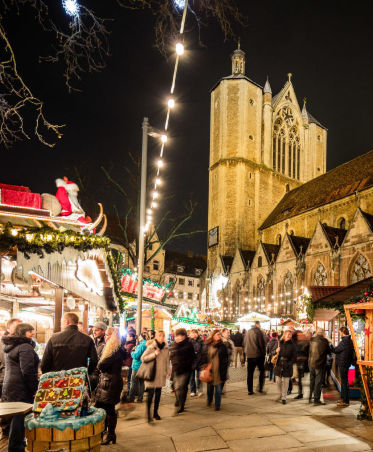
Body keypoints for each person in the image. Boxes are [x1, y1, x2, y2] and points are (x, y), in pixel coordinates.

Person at [2, 323, 39, 452]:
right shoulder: (24, 347)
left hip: (10, 386)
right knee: (20, 417)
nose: (33, 334)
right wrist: (35, 388)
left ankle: (15, 446)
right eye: (30, 332)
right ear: (24, 333)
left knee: (15, 417)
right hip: (21, 387)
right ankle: (16, 447)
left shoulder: (10, 346)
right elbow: (27, 371)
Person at [95, 327, 127, 445]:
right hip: (108, 382)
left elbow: (101, 365)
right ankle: (107, 433)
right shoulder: (114, 349)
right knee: (103, 408)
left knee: (108, 409)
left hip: (110, 383)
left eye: (108, 335)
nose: (105, 337)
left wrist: (99, 362)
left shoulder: (114, 351)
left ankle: (110, 434)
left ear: (113, 337)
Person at [142, 330, 170, 422]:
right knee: (150, 395)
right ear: (156, 337)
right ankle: (148, 414)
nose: (162, 337)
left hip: (161, 374)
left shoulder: (166, 348)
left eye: (163, 336)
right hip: (152, 373)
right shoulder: (151, 347)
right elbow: (143, 358)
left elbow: (167, 360)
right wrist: (154, 354)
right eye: (160, 335)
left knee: (158, 394)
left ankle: (155, 413)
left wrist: (168, 371)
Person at [201, 329, 229, 411]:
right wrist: (204, 366)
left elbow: (225, 359)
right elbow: (204, 356)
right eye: (217, 334)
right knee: (209, 388)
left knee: (218, 389)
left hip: (219, 370)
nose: (219, 336)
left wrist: (224, 369)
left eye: (220, 335)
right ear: (213, 336)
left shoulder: (223, 346)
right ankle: (209, 401)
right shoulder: (208, 345)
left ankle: (217, 405)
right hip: (210, 369)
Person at [170, 328, 195, 415]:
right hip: (176, 369)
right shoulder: (174, 345)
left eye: (180, 335)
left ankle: (181, 405)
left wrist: (189, 365)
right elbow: (171, 356)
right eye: (177, 335)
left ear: (184, 336)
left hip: (185, 369)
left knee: (182, 387)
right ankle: (178, 400)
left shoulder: (188, 345)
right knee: (176, 387)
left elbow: (192, 357)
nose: (178, 337)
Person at [333, 326, 355, 407]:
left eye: (339, 332)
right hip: (347, 363)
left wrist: (331, 345)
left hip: (343, 364)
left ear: (342, 332)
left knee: (344, 382)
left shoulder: (344, 342)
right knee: (344, 382)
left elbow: (336, 350)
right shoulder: (350, 341)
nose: (339, 334)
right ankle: (343, 399)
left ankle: (345, 401)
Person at [308, 327, 331, 405]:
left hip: (311, 363)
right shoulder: (324, 341)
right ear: (323, 333)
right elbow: (329, 351)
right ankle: (316, 399)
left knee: (312, 380)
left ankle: (310, 397)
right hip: (319, 364)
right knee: (318, 382)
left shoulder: (311, 340)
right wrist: (329, 340)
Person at [274, 329, 297, 404]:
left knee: (286, 382)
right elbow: (272, 352)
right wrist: (276, 351)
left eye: (290, 335)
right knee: (278, 381)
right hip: (279, 364)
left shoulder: (293, 345)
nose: (289, 336)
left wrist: (289, 363)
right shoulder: (279, 343)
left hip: (287, 365)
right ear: (284, 335)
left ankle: (284, 397)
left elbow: (294, 357)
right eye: (288, 334)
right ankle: (280, 394)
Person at [244, 321, 266, 394]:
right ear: (257, 324)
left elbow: (244, 343)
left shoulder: (248, 332)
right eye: (260, 324)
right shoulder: (258, 332)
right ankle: (260, 388)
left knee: (250, 373)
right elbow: (261, 344)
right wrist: (264, 354)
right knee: (262, 371)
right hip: (258, 355)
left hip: (249, 355)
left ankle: (250, 390)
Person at [128, 332, 148, 403]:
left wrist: (132, 351)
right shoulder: (147, 344)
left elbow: (136, 356)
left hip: (137, 366)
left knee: (133, 382)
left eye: (139, 337)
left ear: (142, 337)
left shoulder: (141, 345)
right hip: (143, 365)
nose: (139, 338)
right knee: (141, 383)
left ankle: (131, 398)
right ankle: (140, 398)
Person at [293, 330, 310, 399]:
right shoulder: (295, 343)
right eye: (298, 335)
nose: (300, 336)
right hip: (299, 363)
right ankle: (300, 393)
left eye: (301, 335)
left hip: (306, 363)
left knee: (308, 379)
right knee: (299, 380)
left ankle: (310, 394)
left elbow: (310, 353)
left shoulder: (307, 343)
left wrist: (304, 357)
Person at [189, 329, 204, 396]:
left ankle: (199, 390)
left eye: (194, 333)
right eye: (191, 333)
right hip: (191, 361)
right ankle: (192, 390)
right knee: (191, 377)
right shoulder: (188, 341)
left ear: (197, 334)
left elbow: (203, 351)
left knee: (199, 377)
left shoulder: (201, 341)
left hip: (199, 361)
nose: (193, 334)